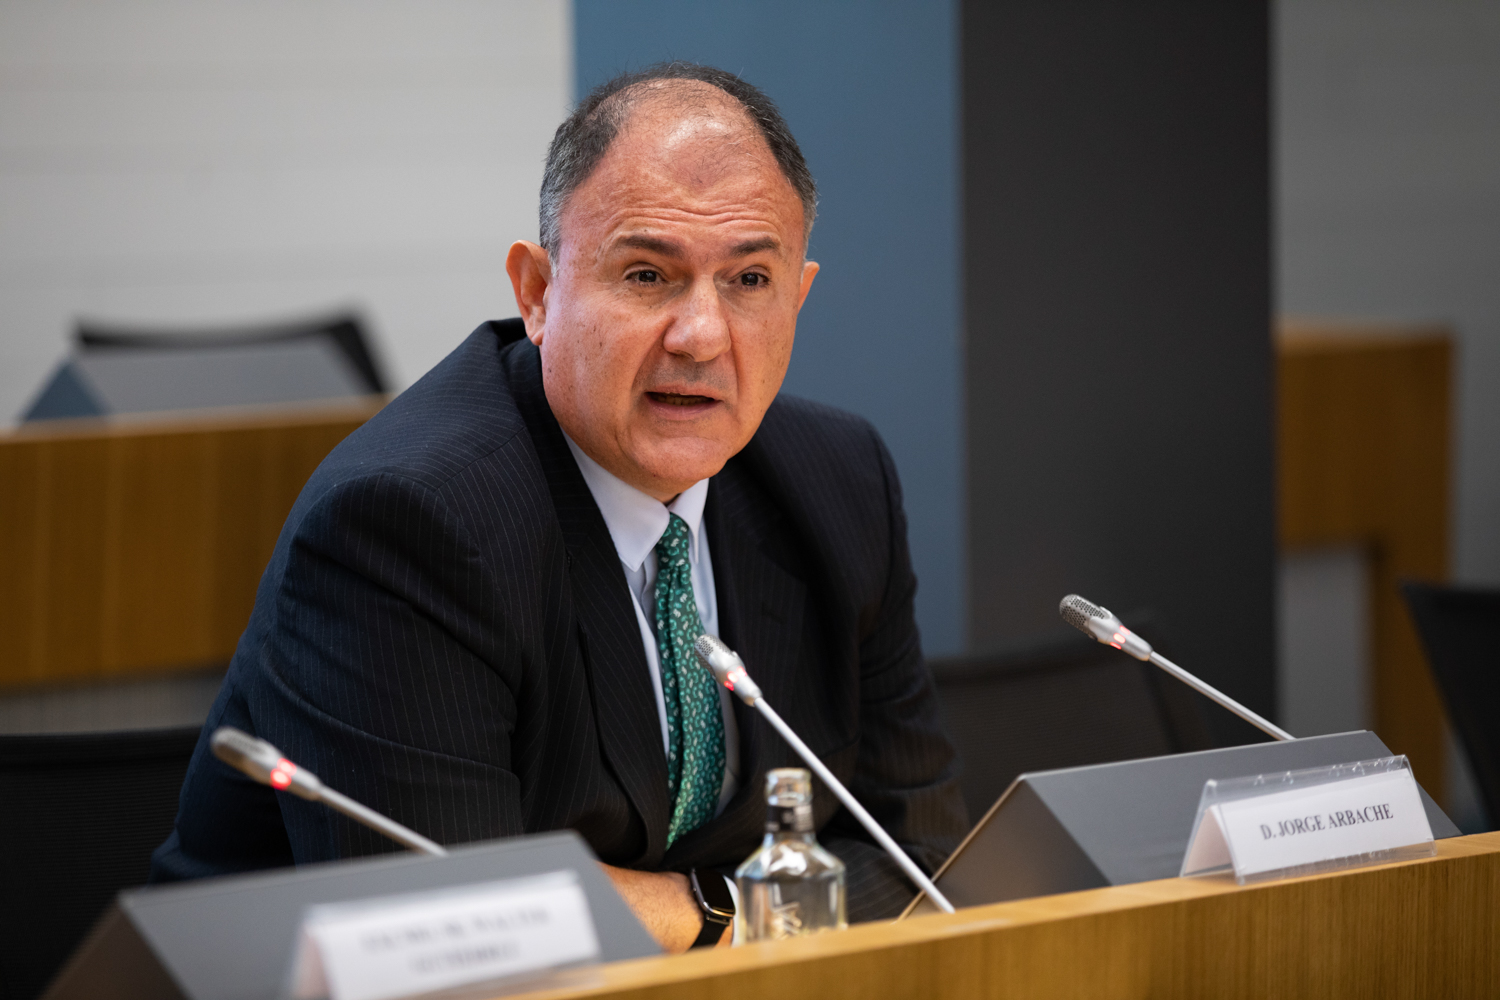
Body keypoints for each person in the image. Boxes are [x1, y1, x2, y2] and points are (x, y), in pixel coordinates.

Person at [152, 62, 967, 952]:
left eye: (749, 282)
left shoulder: (837, 480)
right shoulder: (407, 522)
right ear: (538, 292)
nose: (702, 336)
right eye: (648, 274)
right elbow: (450, 926)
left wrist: (705, 922)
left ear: (798, 297)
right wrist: (722, 916)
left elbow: (920, 860)